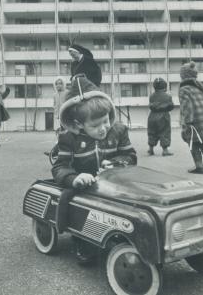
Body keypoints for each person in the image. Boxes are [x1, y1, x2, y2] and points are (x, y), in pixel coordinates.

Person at [52, 75, 137, 263]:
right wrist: (74, 178)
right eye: (95, 125)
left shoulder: (119, 130)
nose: (103, 128)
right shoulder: (68, 138)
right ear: (78, 124)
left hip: (115, 182)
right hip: (84, 184)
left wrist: (117, 163)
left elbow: (131, 157)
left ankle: (128, 232)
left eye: (106, 121)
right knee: (75, 201)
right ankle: (80, 237)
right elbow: (59, 167)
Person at [179, 61, 203, 174]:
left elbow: (187, 107)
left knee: (192, 142)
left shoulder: (184, 89)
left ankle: (199, 166)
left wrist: (187, 122)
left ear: (183, 75)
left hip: (194, 120)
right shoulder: (200, 87)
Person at [147, 77, 174, 157]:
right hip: (163, 115)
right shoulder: (168, 96)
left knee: (152, 131)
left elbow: (150, 105)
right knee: (165, 132)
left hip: (152, 115)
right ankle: (165, 150)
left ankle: (151, 149)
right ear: (164, 86)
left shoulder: (151, 96)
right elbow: (171, 106)